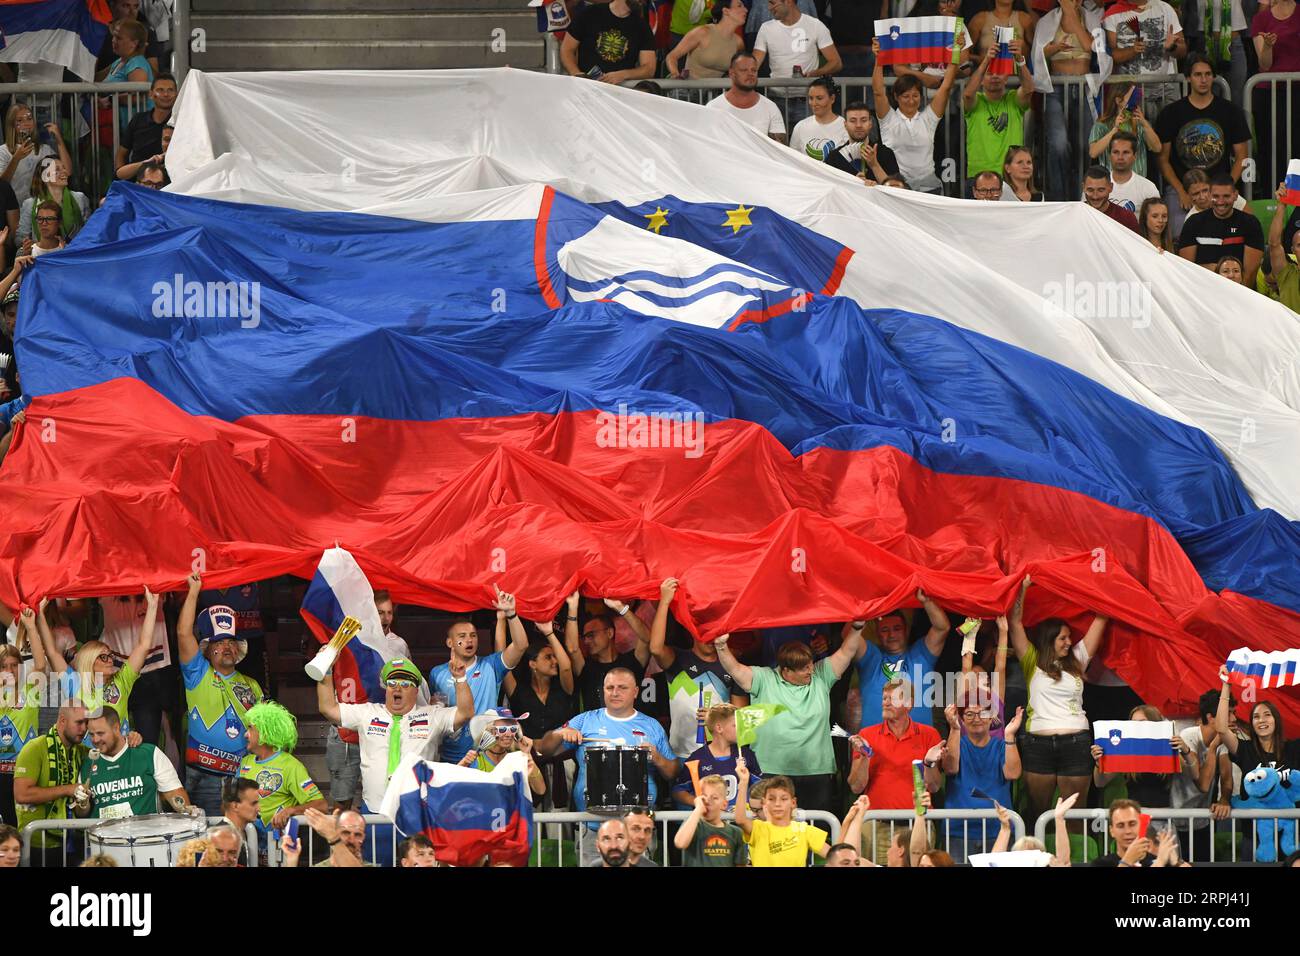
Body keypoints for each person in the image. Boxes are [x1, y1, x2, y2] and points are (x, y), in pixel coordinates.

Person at [318, 655, 472, 866]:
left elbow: (465, 712)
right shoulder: (368, 713)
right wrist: (324, 671)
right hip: (376, 811)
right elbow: (328, 708)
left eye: (405, 684)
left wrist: (460, 679)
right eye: (392, 683)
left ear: (416, 691)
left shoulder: (432, 716)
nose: (397, 688)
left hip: (417, 813)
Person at [537, 667, 679, 866]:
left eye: (622, 687)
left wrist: (657, 757)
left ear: (636, 692)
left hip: (637, 828)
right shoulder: (585, 720)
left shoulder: (652, 726)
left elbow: (672, 772)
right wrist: (559, 734)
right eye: (609, 687)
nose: (615, 692)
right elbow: (545, 749)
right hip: (593, 826)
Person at [714, 627, 859, 814]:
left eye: (810, 664)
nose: (810, 670)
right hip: (770, 771)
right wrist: (721, 646)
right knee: (773, 832)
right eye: (804, 668)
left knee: (816, 833)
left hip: (816, 773)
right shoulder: (764, 678)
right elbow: (734, 668)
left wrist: (857, 628)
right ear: (786, 671)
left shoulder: (821, 675)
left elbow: (846, 651)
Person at [1009, 574, 1109, 834]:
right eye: (1063, 638)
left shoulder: (1077, 660)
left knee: (1075, 817)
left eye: (1069, 637)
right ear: (1049, 639)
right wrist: (1022, 588)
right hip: (1037, 745)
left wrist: (1101, 581)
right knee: (1038, 816)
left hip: (1076, 744)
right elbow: (1015, 622)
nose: (1068, 642)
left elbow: (1102, 616)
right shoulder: (1031, 660)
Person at [177, 574, 265, 816]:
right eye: (220, 643)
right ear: (207, 649)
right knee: (211, 844)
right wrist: (194, 591)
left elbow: (264, 731)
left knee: (241, 843)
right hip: (205, 777)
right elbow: (184, 634)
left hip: (242, 775)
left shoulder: (252, 685)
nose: (227, 647)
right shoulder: (198, 673)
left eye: (231, 642)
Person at [47, 587, 157, 748]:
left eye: (110, 656)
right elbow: (52, 652)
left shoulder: (122, 680)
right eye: (103, 657)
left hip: (120, 758)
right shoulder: (75, 683)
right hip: (88, 759)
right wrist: (38, 618)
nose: (110, 661)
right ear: (89, 662)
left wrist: (152, 606)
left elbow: (144, 645)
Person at [324, 587, 403, 811]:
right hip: (346, 731)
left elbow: (409, 684)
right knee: (342, 801)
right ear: (369, 612)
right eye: (380, 612)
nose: (385, 618)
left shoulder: (399, 645)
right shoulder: (344, 641)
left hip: (382, 730)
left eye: (389, 612)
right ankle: (340, 846)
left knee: (382, 797)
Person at [430, 587, 528, 764]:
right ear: (449, 642)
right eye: (462, 636)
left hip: (484, 755)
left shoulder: (492, 665)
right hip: (449, 757)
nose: (469, 640)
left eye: (473, 636)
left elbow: (520, 646)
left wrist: (511, 614)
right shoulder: (437, 673)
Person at [1154, 56, 1250, 239]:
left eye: (1207, 74)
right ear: (1188, 78)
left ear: (1214, 77)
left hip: (1220, 185)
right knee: (1178, 237)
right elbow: (1163, 160)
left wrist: (1225, 189)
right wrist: (1182, 192)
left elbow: (1242, 157)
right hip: (1180, 187)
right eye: (1198, 74)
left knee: (1243, 229)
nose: (1203, 79)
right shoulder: (1171, 113)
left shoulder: (1231, 111)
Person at [849, 678, 944, 861]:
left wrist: (930, 763)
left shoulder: (929, 735)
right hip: (876, 826)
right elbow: (856, 786)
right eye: (884, 698)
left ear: (908, 704)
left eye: (892, 698)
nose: (885, 702)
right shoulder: (866, 735)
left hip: (918, 823)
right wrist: (864, 757)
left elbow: (933, 787)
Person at [650, 578, 745, 758]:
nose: (710, 637)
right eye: (705, 632)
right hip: (680, 755)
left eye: (715, 632)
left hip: (719, 756)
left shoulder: (732, 667)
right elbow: (655, 648)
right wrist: (664, 602)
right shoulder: (677, 659)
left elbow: (741, 723)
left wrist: (717, 717)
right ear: (693, 633)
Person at [850, 588, 951, 731]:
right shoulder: (871, 657)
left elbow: (942, 628)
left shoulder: (921, 653)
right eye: (885, 630)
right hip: (875, 747)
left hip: (919, 744)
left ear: (906, 630)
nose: (891, 634)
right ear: (877, 634)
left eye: (897, 628)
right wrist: (868, 603)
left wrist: (926, 601)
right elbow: (849, 634)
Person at [1036, 0, 1106, 200]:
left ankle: (1080, 198)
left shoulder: (1092, 18)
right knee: (1058, 144)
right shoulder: (1047, 21)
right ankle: (1058, 198)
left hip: (1084, 86)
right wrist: (1055, 48)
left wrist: (1073, 17)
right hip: (1056, 87)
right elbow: (1039, 56)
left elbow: (1092, 47)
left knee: (1085, 145)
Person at [871, 37, 957, 194]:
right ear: (896, 97)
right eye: (905, 96)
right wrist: (879, 59)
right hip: (899, 188)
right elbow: (878, 92)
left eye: (915, 95)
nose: (911, 101)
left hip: (931, 188)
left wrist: (956, 52)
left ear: (921, 97)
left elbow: (945, 87)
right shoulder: (889, 119)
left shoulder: (928, 119)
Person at [733, 764, 866, 865]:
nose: (778, 804)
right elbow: (740, 819)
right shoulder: (758, 828)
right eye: (772, 799)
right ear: (765, 803)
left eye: (783, 799)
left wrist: (847, 822)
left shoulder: (805, 830)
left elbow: (835, 855)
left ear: (793, 802)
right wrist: (743, 782)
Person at [237, 700, 326, 850]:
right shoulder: (245, 762)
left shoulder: (290, 765)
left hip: (278, 852)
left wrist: (291, 811)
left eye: (250, 729)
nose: (245, 734)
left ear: (265, 731)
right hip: (247, 849)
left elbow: (321, 805)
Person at [940, 702, 1023, 861]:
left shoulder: (1001, 745)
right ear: (962, 719)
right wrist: (955, 729)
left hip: (999, 830)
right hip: (958, 832)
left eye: (983, 713)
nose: (976, 718)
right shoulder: (957, 743)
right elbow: (950, 768)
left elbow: (1013, 773)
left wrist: (1010, 735)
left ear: (992, 718)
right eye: (970, 714)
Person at [76, 708, 192, 819]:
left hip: (145, 836)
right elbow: (81, 814)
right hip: (103, 838)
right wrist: (82, 804)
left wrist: (187, 811)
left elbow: (173, 792)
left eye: (100, 733)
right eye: (91, 734)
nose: (95, 740)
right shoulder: (88, 764)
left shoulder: (148, 754)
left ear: (116, 728)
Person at [13, 701, 88, 865]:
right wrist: (68, 789)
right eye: (79, 722)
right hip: (37, 845)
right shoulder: (35, 748)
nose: (84, 729)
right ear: (62, 720)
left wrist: (131, 738)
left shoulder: (82, 752)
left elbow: (111, 749)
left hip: (72, 843)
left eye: (87, 723)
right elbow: (22, 794)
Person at [1171, 689, 1236, 863]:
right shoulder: (1188, 736)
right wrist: (1213, 748)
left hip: (1202, 821)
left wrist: (1224, 800)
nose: (1234, 719)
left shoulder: (1222, 740)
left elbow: (1227, 778)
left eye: (1233, 713)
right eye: (1228, 714)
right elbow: (1203, 784)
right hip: (1175, 821)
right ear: (1211, 717)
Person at [1215, 665, 1300, 796]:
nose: (1261, 720)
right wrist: (1226, 685)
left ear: (1276, 720)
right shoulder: (1245, 750)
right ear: (1252, 724)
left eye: (1267, 715)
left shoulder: (1294, 748)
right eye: (1256, 717)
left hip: (1289, 816)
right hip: (1253, 816)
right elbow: (1221, 729)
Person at [754, 0, 842, 127]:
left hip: (808, 101)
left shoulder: (815, 25)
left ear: (789, 2)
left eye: (773, 3)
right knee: (777, 144)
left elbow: (836, 63)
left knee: (807, 143)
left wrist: (816, 73)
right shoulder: (766, 28)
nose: (769, 8)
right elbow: (754, 64)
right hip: (776, 100)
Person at [963, 39, 1034, 194]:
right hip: (978, 176)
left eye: (999, 72)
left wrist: (1019, 61)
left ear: (1007, 77)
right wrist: (986, 60)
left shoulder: (1013, 99)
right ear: (981, 79)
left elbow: (1028, 89)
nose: (994, 76)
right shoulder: (977, 101)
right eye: (989, 72)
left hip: (1010, 176)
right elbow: (968, 94)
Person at [564, 592, 651, 712]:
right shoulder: (587, 667)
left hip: (629, 729)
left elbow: (646, 639)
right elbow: (572, 649)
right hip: (596, 730)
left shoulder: (631, 661)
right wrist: (572, 607)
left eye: (591, 635)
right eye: (585, 637)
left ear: (610, 633)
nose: (587, 641)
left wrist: (620, 608)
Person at [1, 607, 48, 826]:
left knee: (28, 825)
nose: (10, 671)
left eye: (14, 665)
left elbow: (40, 664)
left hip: (27, 771)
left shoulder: (31, 690)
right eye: (3, 667)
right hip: (1, 774)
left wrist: (30, 627)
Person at [1177, 173, 1265, 286]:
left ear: (1235, 195)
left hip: (1240, 292)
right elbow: (1186, 268)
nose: (1220, 201)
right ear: (1209, 195)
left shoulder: (1250, 223)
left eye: (1226, 196)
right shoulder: (1193, 222)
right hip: (1203, 290)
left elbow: (1250, 274)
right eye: (1216, 196)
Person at [671, 703, 762, 810]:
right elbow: (678, 791)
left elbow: (760, 787)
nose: (741, 729)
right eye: (735, 725)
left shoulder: (746, 755)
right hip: (710, 822)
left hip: (741, 821)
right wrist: (699, 803)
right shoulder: (697, 758)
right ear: (719, 728)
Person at [1251, 0, 1300, 192]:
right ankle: (1273, 200)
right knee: (1272, 150)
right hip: (1268, 93)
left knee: (1297, 149)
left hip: (1297, 91)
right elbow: (1265, 64)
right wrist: (1268, 46)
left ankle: (1296, 201)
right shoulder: (1261, 19)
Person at [1104, 0, 1185, 114]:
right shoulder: (1113, 15)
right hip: (1130, 93)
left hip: (1166, 90)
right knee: (1134, 131)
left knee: (1169, 131)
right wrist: (1132, 50)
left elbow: (1182, 51)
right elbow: (1112, 57)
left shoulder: (1165, 9)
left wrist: (1172, 47)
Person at [561, 0, 656, 85]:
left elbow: (649, 68)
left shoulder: (642, 27)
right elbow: (567, 49)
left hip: (620, 93)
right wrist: (576, 74)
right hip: (586, 89)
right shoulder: (589, 13)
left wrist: (623, 75)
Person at [458, 709, 546, 797]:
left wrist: (527, 754)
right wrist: (464, 763)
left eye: (513, 729)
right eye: (502, 729)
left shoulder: (516, 759)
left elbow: (541, 790)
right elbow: (451, 788)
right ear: (490, 731)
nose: (508, 734)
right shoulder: (476, 760)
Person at [0, 103, 71, 208]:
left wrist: (59, 140)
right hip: (12, 209)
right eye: (20, 120)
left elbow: (68, 171)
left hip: (41, 209)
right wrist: (16, 159)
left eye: (29, 118)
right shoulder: (3, 151)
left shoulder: (44, 150)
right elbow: (2, 184)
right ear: (12, 125)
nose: (26, 123)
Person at [707, 52, 788, 143]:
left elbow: (778, 148)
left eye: (754, 70)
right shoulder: (714, 107)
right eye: (744, 70)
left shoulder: (770, 107)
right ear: (731, 73)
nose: (750, 74)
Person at [1088, 84, 1162, 183]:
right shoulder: (1101, 125)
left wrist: (1144, 123)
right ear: (1118, 101)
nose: (1136, 101)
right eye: (1132, 98)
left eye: (1137, 98)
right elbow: (1093, 152)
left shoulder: (1141, 124)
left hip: (1138, 182)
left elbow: (1157, 148)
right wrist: (1114, 129)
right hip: (1111, 184)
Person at [673, 773, 746, 866]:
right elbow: (680, 843)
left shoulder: (736, 833)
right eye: (704, 796)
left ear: (724, 804)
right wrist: (698, 809)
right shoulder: (693, 826)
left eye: (714, 798)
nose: (707, 801)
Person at [1091, 798, 1190, 866]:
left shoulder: (1159, 859)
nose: (1128, 831)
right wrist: (1127, 861)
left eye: (1132, 824)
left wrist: (1176, 862)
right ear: (1111, 831)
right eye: (1120, 826)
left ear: (1142, 825)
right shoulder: (1101, 864)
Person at [16, 156, 88, 246]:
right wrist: (35, 245)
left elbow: (89, 232)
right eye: (57, 170)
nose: (64, 172)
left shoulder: (80, 199)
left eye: (64, 168)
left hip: (74, 255)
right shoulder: (30, 204)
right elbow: (19, 239)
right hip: (43, 256)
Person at [115, 72, 176, 176]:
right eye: (160, 90)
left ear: (177, 94)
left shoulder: (180, 121)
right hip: (137, 179)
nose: (166, 94)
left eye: (170, 90)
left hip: (168, 180)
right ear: (151, 94)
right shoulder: (138, 120)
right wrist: (122, 175)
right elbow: (121, 153)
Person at [666, 0, 746, 79]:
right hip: (688, 89)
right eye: (739, 6)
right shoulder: (703, 32)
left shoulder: (739, 43)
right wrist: (676, 75)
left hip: (718, 90)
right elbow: (672, 57)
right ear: (726, 11)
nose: (746, 10)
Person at [825, 101, 899, 182]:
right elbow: (829, 189)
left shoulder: (886, 153)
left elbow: (896, 190)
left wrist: (875, 165)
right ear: (845, 125)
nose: (858, 125)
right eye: (853, 121)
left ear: (870, 124)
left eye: (863, 120)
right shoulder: (835, 157)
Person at [1100, 132, 1160, 214]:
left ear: (1134, 156)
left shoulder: (1148, 188)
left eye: (1126, 152)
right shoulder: (1095, 187)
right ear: (1110, 155)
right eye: (1116, 152)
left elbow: (1156, 221)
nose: (1120, 157)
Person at [790, 78, 848, 162]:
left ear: (832, 98)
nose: (814, 103)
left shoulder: (845, 126)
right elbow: (793, 159)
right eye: (811, 98)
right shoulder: (800, 126)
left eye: (819, 98)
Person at [1266, 181, 1300, 312]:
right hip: (1290, 332)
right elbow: (1274, 243)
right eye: (1299, 245)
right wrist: (1281, 205)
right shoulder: (1286, 274)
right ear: (1292, 250)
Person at [1082, 165, 1142, 233]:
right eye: (1090, 190)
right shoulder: (1075, 215)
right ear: (1083, 187)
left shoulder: (1126, 218)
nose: (1095, 196)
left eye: (1101, 190)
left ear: (1111, 187)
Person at [969, 0, 1038, 58]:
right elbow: (965, 54)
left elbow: (1036, 51)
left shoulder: (1025, 19)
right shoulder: (979, 19)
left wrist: (1023, 47)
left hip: (1017, 72)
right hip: (985, 72)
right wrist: (982, 60)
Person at [221, 777, 260, 866]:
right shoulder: (225, 840)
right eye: (253, 803)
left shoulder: (235, 834)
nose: (259, 808)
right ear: (235, 806)